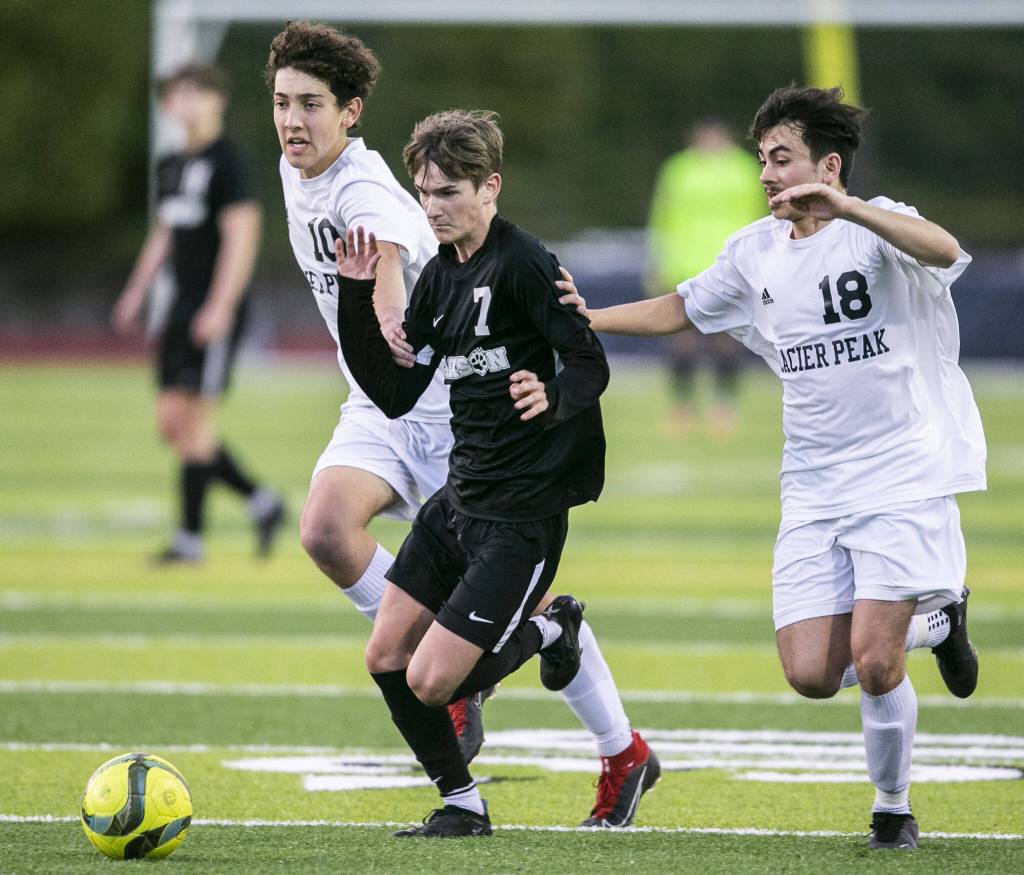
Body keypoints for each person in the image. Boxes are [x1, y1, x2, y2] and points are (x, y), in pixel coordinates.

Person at [558, 86, 982, 850]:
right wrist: (587, 319)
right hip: (814, 482)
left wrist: (848, 209)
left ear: (828, 166)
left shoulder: (874, 225)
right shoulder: (754, 250)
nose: (765, 173)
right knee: (811, 672)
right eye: (762, 159)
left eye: (781, 158)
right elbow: (682, 307)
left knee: (874, 661)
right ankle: (940, 620)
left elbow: (944, 250)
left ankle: (892, 808)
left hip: (901, 471)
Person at [267, 22, 658, 830]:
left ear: (350, 112)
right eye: (281, 103)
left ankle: (618, 747)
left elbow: (403, 256)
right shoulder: (294, 169)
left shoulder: (376, 201)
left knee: (511, 603)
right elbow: (390, 368)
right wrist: (368, 316)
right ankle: (452, 688)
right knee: (326, 531)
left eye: (310, 104)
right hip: (385, 402)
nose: (292, 121)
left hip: (462, 416)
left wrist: (386, 298)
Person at [112, 63, 285, 564]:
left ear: (217, 101)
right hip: (178, 307)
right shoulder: (169, 163)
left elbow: (241, 237)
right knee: (171, 423)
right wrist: (137, 290)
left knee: (193, 426)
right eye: (177, 96)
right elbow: (164, 231)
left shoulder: (229, 162)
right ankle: (262, 501)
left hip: (213, 307)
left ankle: (189, 540)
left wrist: (220, 306)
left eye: (196, 94)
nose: (185, 104)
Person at [647, 118, 765, 437]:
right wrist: (657, 261)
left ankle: (724, 406)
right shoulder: (678, 169)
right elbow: (662, 216)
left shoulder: (745, 170)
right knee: (681, 338)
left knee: (728, 337)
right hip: (683, 264)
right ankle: (681, 407)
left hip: (731, 266)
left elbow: (759, 218)